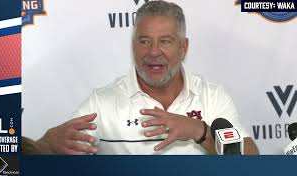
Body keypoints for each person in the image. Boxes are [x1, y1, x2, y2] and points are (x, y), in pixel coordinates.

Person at [36, 0, 259, 155]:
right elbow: (38, 154)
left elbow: (250, 160)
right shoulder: (101, 104)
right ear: (133, 47)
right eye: (144, 41)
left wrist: (199, 131)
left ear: (183, 48)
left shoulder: (212, 97)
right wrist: (46, 142)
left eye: (165, 41)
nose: (153, 51)